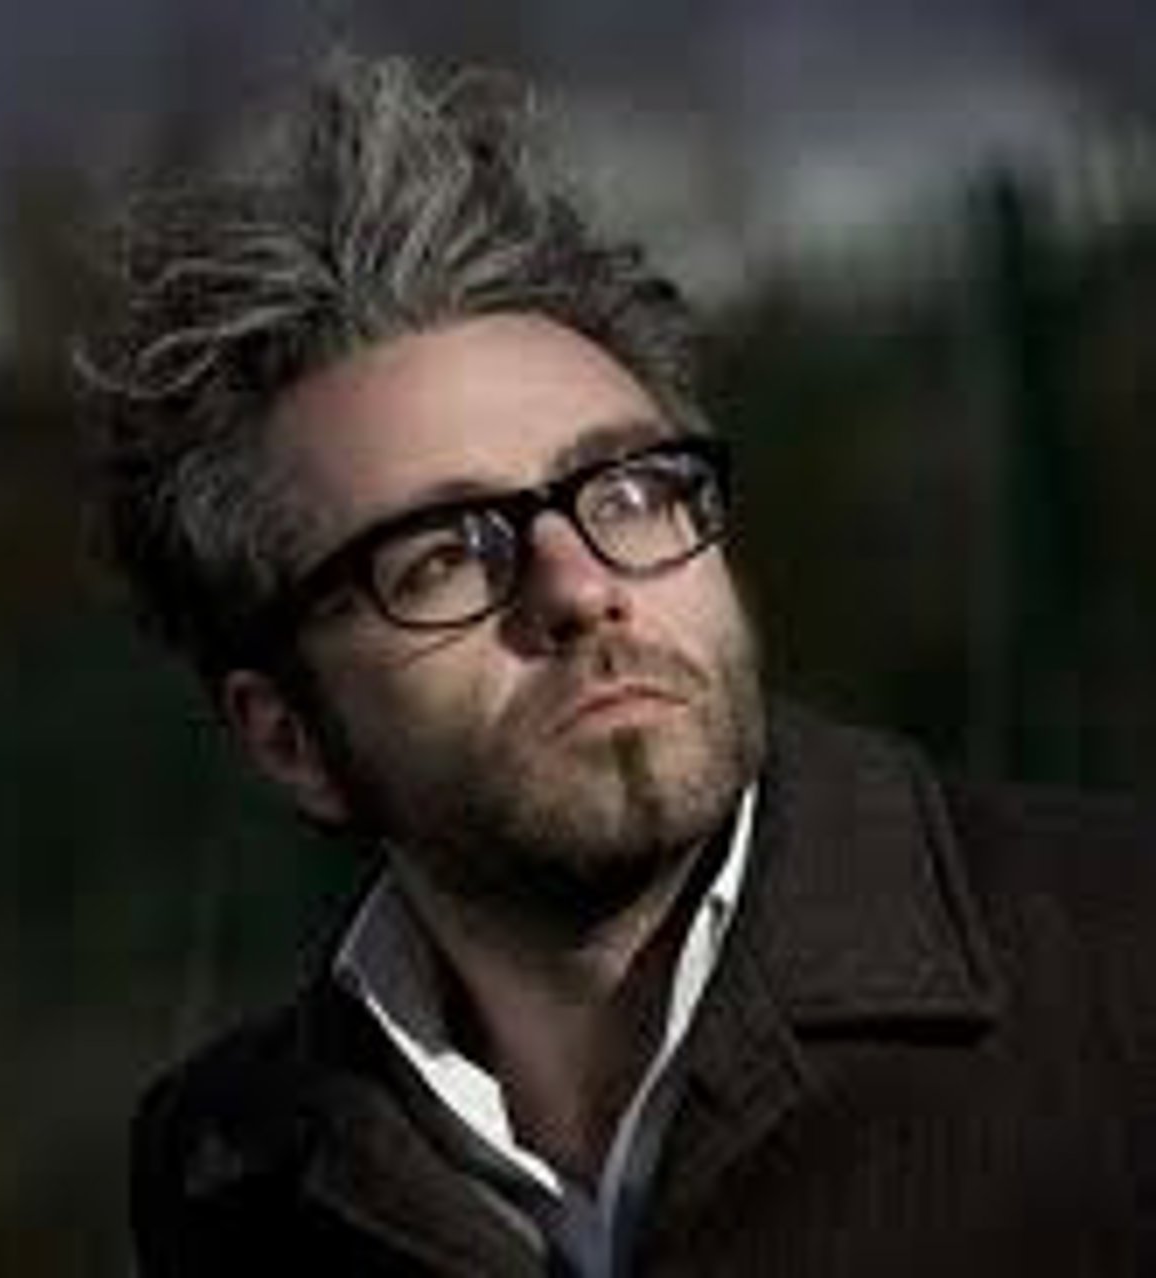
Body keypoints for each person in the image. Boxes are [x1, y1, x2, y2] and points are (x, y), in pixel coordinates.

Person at [74, 52, 1156, 1277]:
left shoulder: (1119, 967)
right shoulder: (226, 1175)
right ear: (287, 739)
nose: (582, 588)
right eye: (441, 556)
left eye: (631, 492)